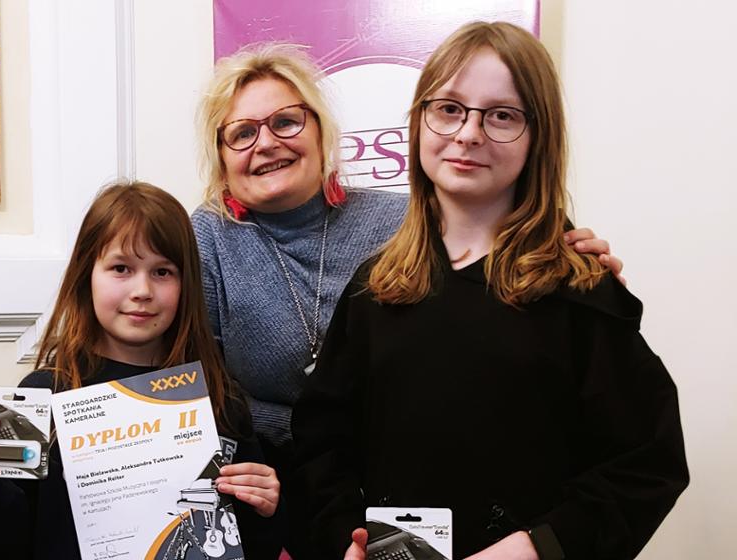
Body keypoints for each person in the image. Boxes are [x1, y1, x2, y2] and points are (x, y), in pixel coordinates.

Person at [285, 22, 688, 559]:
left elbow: (647, 462)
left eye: (502, 115)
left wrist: (537, 547)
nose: (469, 133)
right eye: (449, 108)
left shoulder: (580, 289)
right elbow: (321, 443)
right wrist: (344, 539)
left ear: (539, 135)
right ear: (419, 122)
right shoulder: (376, 289)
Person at [190, 42, 624, 456]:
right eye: (242, 133)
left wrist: (573, 272)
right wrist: (303, 433)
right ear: (221, 157)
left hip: (406, 464)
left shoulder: (408, 219)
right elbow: (191, 384)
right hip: (265, 471)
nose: (266, 143)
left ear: (321, 132)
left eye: (286, 122)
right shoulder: (205, 238)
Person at [0, 181, 284, 559]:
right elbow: (3, 543)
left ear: (186, 284)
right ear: (86, 274)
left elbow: (254, 545)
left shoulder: (219, 397)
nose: (142, 290)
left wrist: (264, 508)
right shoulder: (41, 393)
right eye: (121, 268)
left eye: (162, 272)